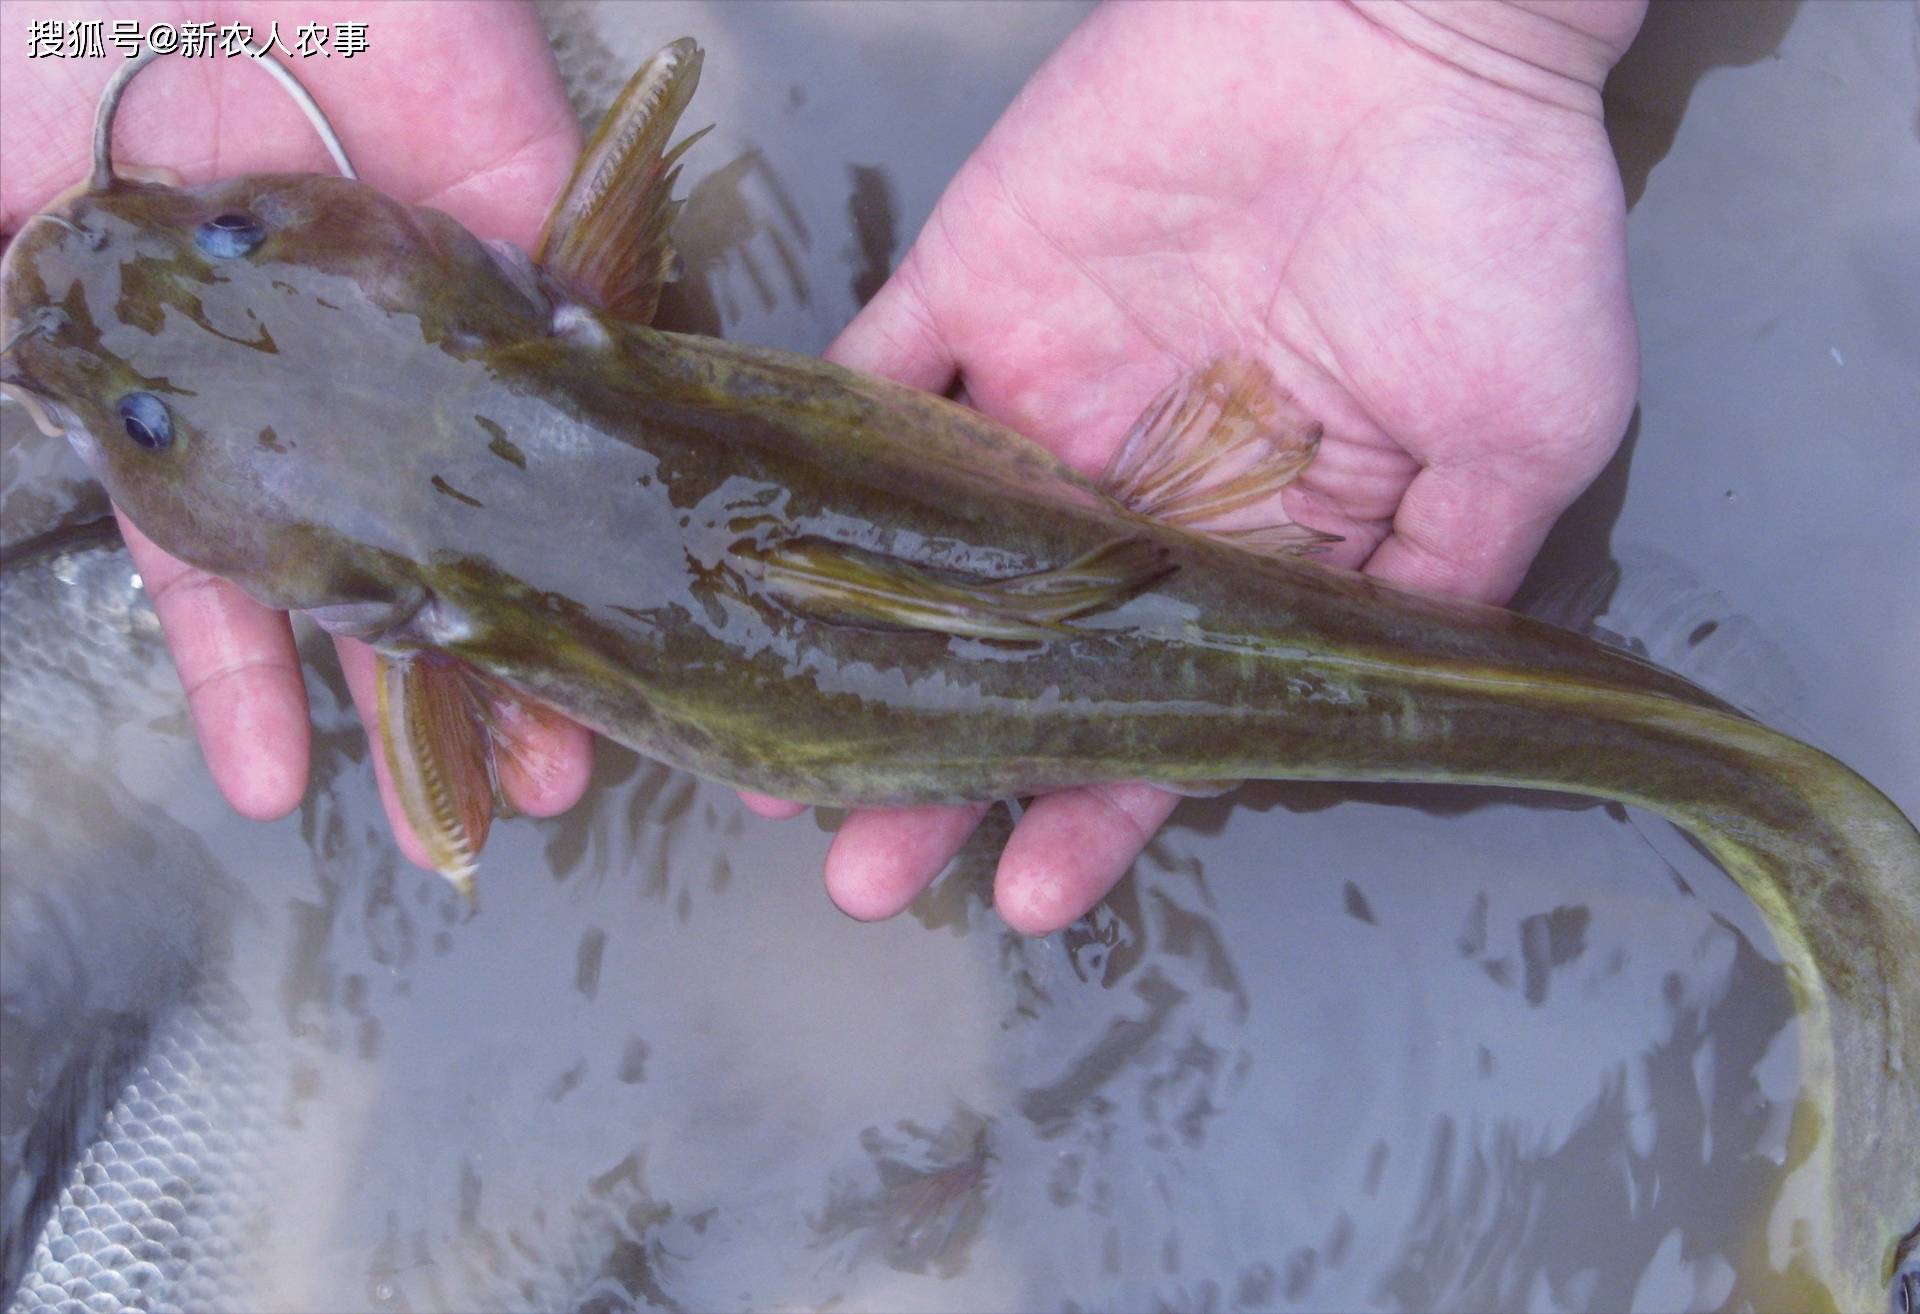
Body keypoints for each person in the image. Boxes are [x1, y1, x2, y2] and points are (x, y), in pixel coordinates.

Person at [0, 0, 1647, 935]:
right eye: (146, 423)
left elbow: (451, 815)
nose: (121, 242)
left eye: (225, 231)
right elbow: (655, 97)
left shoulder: (430, 598)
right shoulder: (550, 313)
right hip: (1102, 557)